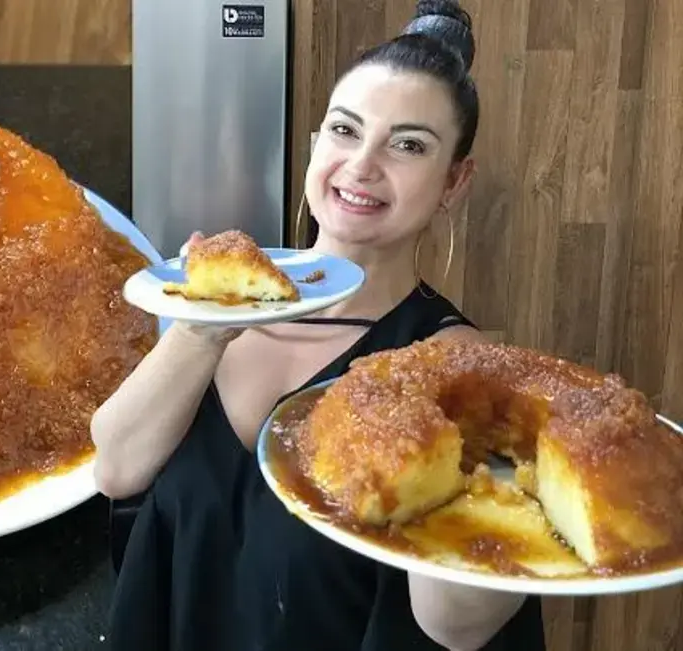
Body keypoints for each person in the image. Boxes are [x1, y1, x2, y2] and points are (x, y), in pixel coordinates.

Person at [91, 1, 548, 650]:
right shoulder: (223, 318)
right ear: (315, 146)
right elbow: (117, 467)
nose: (362, 164)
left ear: (454, 181)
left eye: (409, 144)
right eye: (345, 130)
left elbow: (457, 622)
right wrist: (201, 327)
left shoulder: (457, 368)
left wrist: (503, 457)